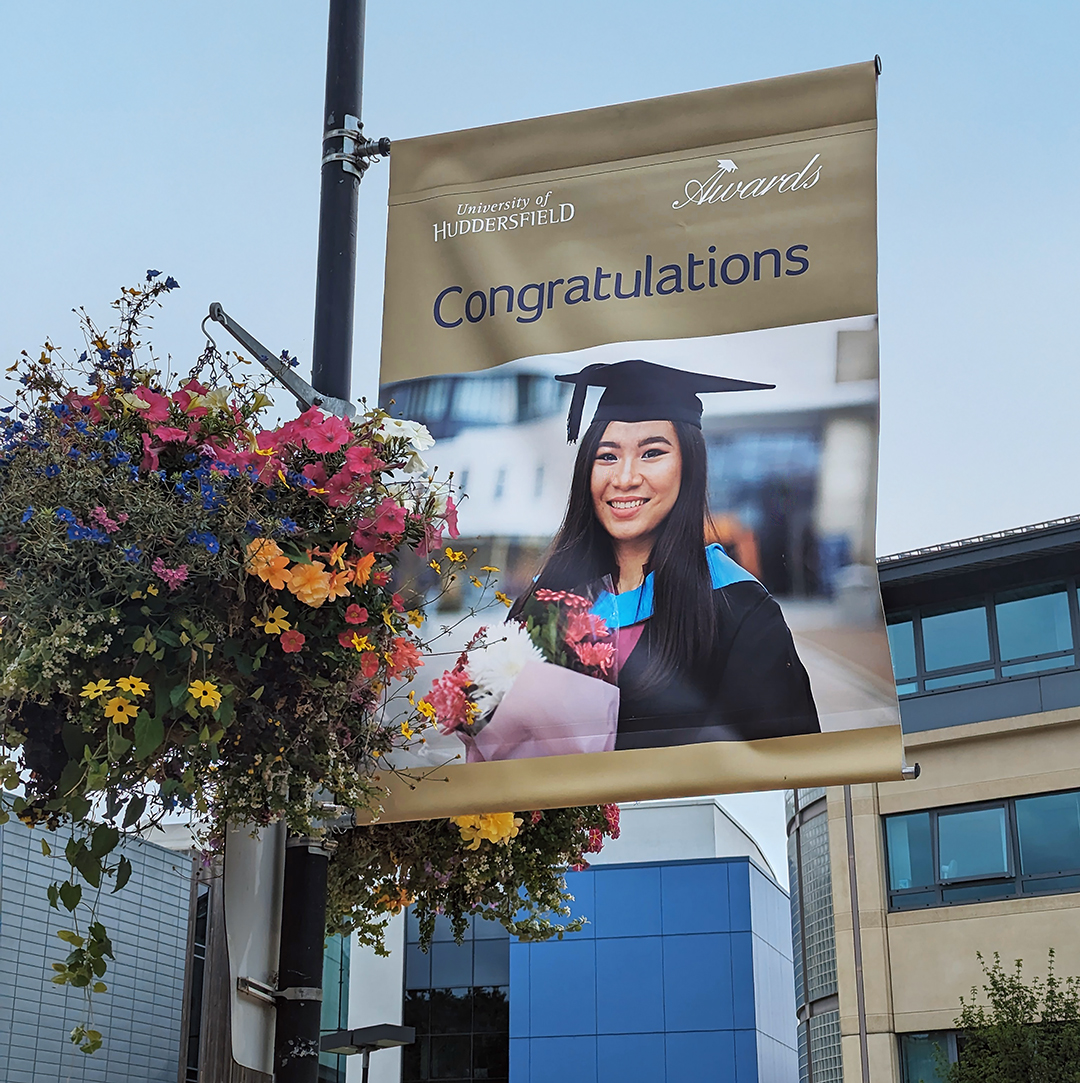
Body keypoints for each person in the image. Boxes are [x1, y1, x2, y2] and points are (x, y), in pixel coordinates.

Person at [509, 359, 820, 750]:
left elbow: (789, 768)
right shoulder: (546, 600)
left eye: (651, 453)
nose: (624, 478)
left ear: (689, 467)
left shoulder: (737, 609)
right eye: (607, 456)